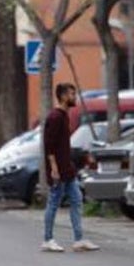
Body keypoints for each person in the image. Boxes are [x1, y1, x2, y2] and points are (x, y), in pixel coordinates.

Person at [40, 83, 99, 253]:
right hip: (58, 169)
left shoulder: (64, 115)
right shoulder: (55, 117)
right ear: (63, 96)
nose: (74, 97)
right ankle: (47, 239)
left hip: (68, 169)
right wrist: (54, 168)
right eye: (71, 94)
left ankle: (79, 239)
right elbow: (48, 146)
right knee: (53, 203)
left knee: (76, 199)